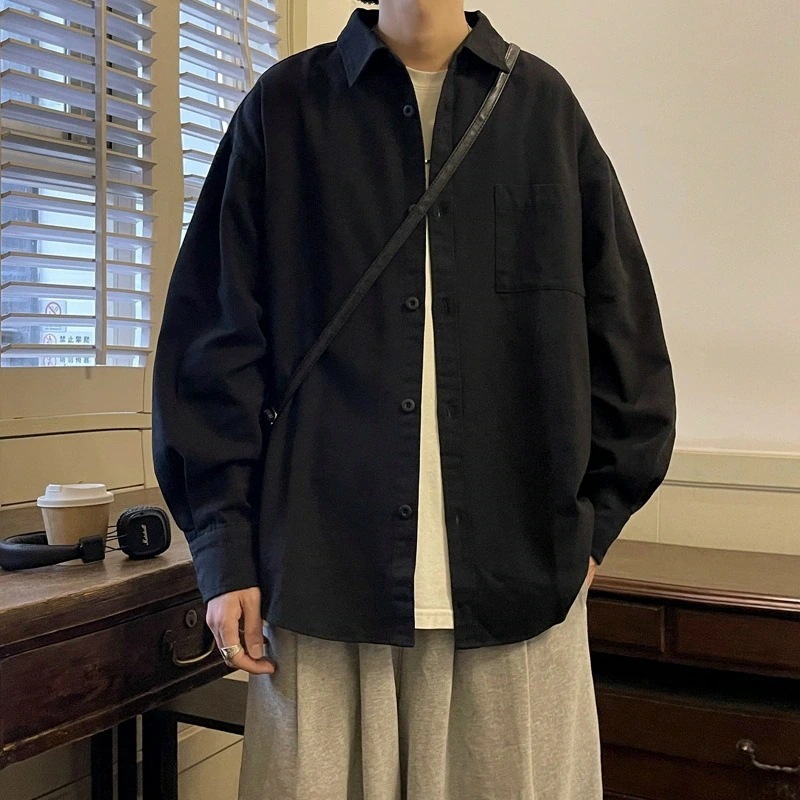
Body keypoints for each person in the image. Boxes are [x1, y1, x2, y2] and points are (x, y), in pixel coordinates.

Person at [152, 1, 677, 798]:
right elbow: (213, 341)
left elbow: (625, 341)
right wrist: (223, 548)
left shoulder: (544, 110)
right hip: (324, 577)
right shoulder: (284, 110)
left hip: (519, 586)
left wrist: (593, 528)